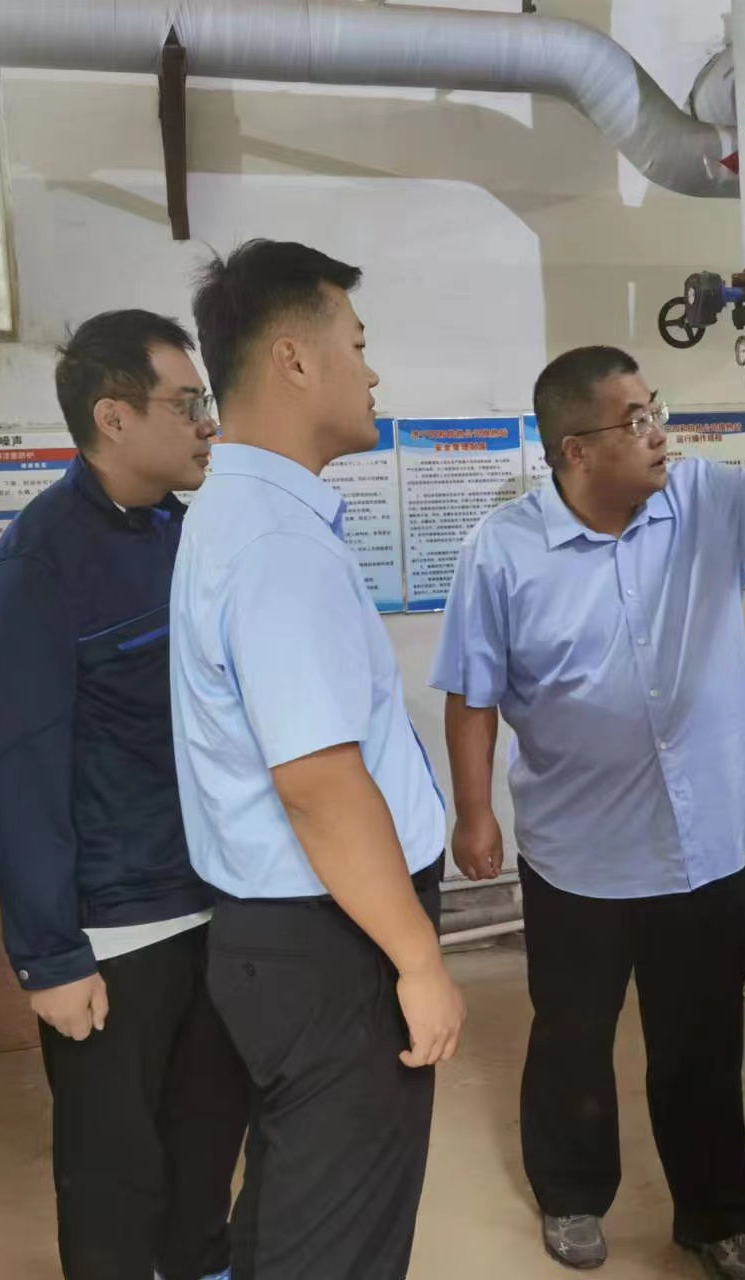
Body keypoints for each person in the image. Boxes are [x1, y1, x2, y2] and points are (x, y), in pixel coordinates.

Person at [431, 345, 745, 1279]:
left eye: (655, 409)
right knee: (573, 1037)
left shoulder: (704, 498)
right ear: (576, 450)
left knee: (700, 1044)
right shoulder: (502, 549)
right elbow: (472, 692)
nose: (659, 433)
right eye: (635, 421)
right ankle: (572, 1195)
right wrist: (474, 814)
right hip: (579, 854)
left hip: (705, 844)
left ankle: (715, 1219)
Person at [171, 239, 465, 1280]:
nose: (372, 372)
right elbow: (319, 784)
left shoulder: (243, 514)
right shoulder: (276, 544)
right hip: (336, 942)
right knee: (338, 1243)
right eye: (358, 343)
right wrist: (418, 962)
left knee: (294, 1216)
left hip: (295, 932)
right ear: (294, 359)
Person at [0, 310, 247, 1280]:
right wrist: (50, 955)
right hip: (118, 930)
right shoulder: (37, 567)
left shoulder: (185, 532)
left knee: (206, 1144)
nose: (208, 423)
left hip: (216, 896)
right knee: (113, 1174)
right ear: (113, 417)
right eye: (188, 402)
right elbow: (19, 772)